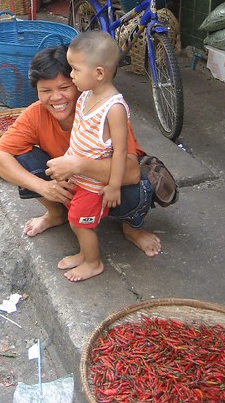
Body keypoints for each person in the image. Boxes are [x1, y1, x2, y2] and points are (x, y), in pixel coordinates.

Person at [0, 43, 160, 267]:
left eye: (64, 87)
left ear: (79, 82)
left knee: (139, 188)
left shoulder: (105, 110)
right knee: (22, 159)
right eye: (46, 91)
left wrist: (80, 165)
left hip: (107, 187)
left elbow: (131, 173)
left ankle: (131, 227)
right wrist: (43, 187)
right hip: (75, 188)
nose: (56, 98)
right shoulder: (35, 114)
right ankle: (56, 214)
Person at [54, 31, 153, 281]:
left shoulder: (114, 108)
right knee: (75, 217)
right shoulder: (85, 96)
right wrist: (68, 165)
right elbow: (77, 136)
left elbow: (120, 151)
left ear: (99, 73)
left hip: (95, 184)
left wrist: (113, 186)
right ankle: (84, 253)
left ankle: (93, 262)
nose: (71, 75)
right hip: (79, 177)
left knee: (79, 222)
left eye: (75, 69)